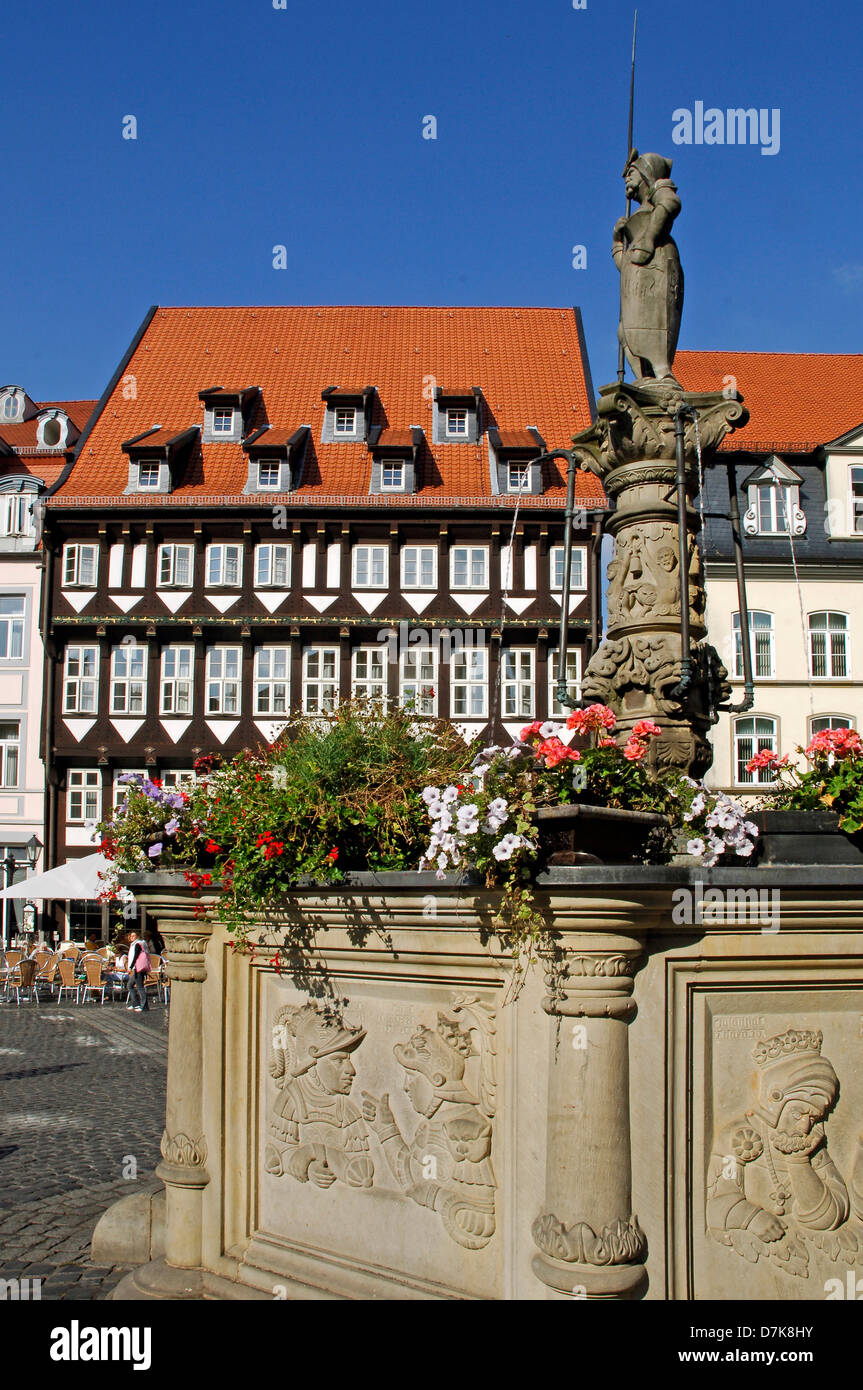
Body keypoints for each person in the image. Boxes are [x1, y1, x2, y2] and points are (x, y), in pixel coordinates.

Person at [126, 930, 150, 1012]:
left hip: (138, 968)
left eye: (133, 936)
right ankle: (135, 1003)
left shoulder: (138, 944)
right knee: (130, 985)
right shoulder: (136, 944)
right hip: (137, 968)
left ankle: (144, 1005)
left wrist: (130, 967)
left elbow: (135, 957)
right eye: (131, 936)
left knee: (140, 987)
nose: (132, 937)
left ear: (137, 936)